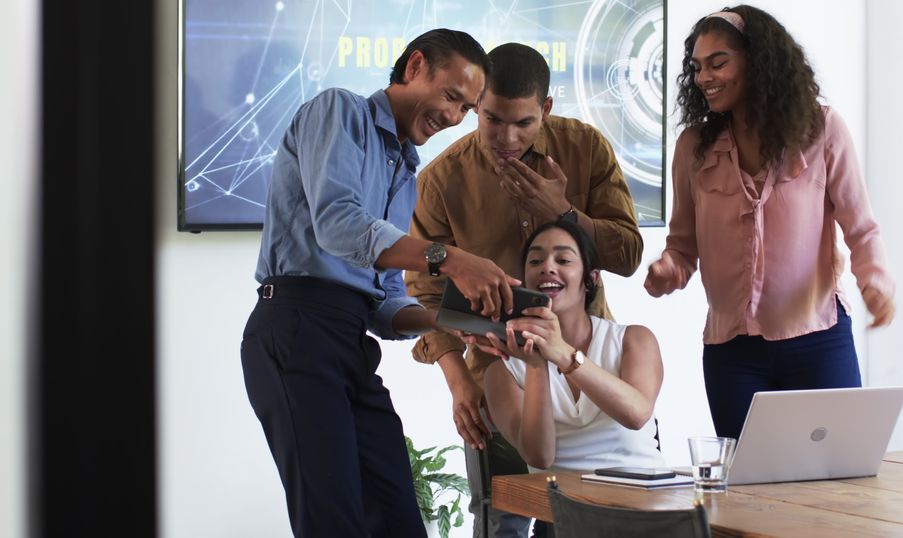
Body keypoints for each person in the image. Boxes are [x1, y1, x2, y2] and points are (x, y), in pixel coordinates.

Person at [241, 29, 520, 538]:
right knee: (333, 524)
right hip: (297, 329)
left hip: (350, 342)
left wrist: (453, 324)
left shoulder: (406, 174)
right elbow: (339, 225)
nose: (454, 117)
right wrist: (451, 259)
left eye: (466, 108)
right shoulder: (340, 111)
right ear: (414, 67)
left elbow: (386, 303)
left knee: (400, 520)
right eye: (451, 97)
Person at [406, 43, 643, 536]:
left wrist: (563, 213)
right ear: (476, 104)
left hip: (584, 372)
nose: (506, 138)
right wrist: (458, 380)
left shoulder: (585, 148)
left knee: (586, 519)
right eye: (492, 120)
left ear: (546, 109)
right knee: (502, 521)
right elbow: (423, 292)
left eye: (524, 123)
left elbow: (627, 254)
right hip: (498, 381)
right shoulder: (441, 180)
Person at [644, 5, 897, 439]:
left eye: (718, 63)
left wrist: (875, 282)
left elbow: (861, 227)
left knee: (837, 472)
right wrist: (669, 269)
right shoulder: (693, 148)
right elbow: (683, 246)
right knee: (749, 479)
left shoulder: (822, 130)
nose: (704, 77)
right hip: (733, 355)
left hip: (818, 340)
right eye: (697, 67)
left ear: (757, 61)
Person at [477, 220, 663, 537]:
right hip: (565, 520)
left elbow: (636, 414)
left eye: (563, 259)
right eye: (535, 261)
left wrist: (563, 354)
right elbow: (539, 456)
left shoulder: (633, 340)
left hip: (649, 513)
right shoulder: (503, 370)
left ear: (591, 279)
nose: (547, 267)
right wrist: (537, 367)